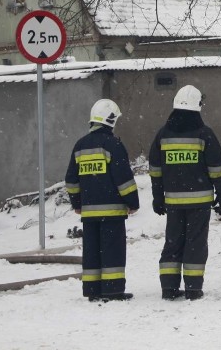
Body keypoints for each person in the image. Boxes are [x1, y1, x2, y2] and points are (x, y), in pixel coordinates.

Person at [149, 85, 221, 301]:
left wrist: (157, 197)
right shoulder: (204, 134)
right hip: (200, 202)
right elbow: (216, 169)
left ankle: (169, 289)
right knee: (196, 243)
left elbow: (155, 170)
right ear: (197, 107)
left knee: (173, 243)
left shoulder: (163, 135)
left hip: (173, 202)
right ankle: (193, 288)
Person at [64, 99, 139, 302]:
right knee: (112, 251)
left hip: (89, 214)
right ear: (111, 120)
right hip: (112, 213)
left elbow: (71, 180)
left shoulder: (80, 146)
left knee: (92, 252)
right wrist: (133, 202)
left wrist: (77, 204)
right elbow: (123, 178)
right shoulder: (113, 145)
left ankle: (92, 290)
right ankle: (113, 291)